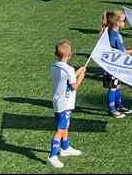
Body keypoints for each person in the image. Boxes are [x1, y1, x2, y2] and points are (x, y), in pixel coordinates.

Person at [47, 39, 86, 168]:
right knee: (60, 129)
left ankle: (65, 147)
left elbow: (66, 79)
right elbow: (74, 86)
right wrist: (82, 76)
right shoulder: (69, 69)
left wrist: (78, 71)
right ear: (69, 54)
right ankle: (52, 156)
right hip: (66, 103)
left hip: (58, 101)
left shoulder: (54, 66)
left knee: (65, 125)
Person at [101, 10, 132, 118]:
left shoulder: (109, 32)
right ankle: (112, 109)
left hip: (112, 65)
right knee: (113, 88)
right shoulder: (116, 36)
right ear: (117, 23)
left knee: (117, 86)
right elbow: (122, 52)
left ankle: (119, 105)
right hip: (113, 66)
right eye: (124, 21)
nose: (125, 23)